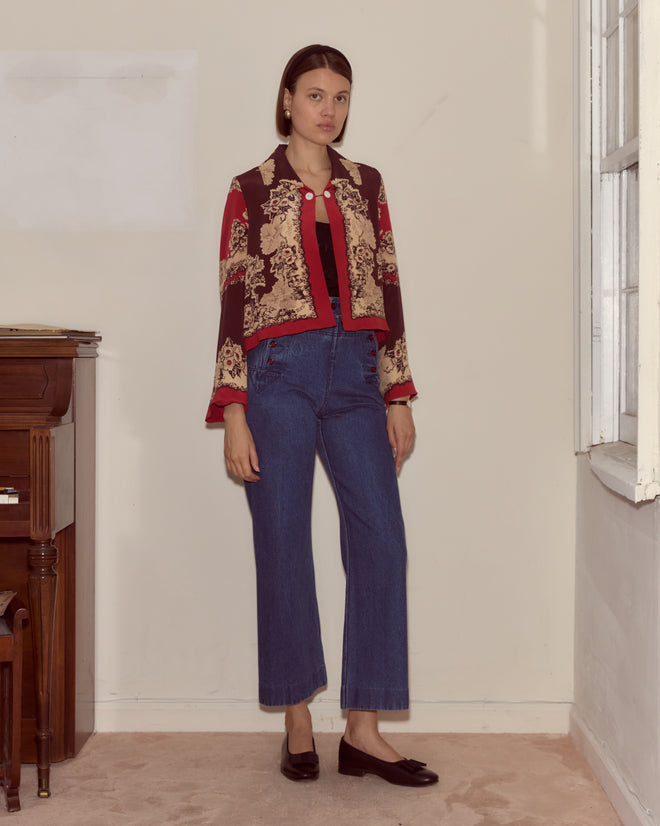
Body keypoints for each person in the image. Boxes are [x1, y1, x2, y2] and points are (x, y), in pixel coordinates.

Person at [206, 44, 437, 788]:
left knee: (382, 539)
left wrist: (397, 392)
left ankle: (364, 730)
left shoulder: (367, 187)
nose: (328, 108)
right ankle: (299, 716)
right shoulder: (251, 188)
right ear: (286, 101)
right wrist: (233, 408)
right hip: (278, 373)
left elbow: (389, 286)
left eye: (340, 96)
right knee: (282, 541)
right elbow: (234, 301)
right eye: (315, 94)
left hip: (357, 374)